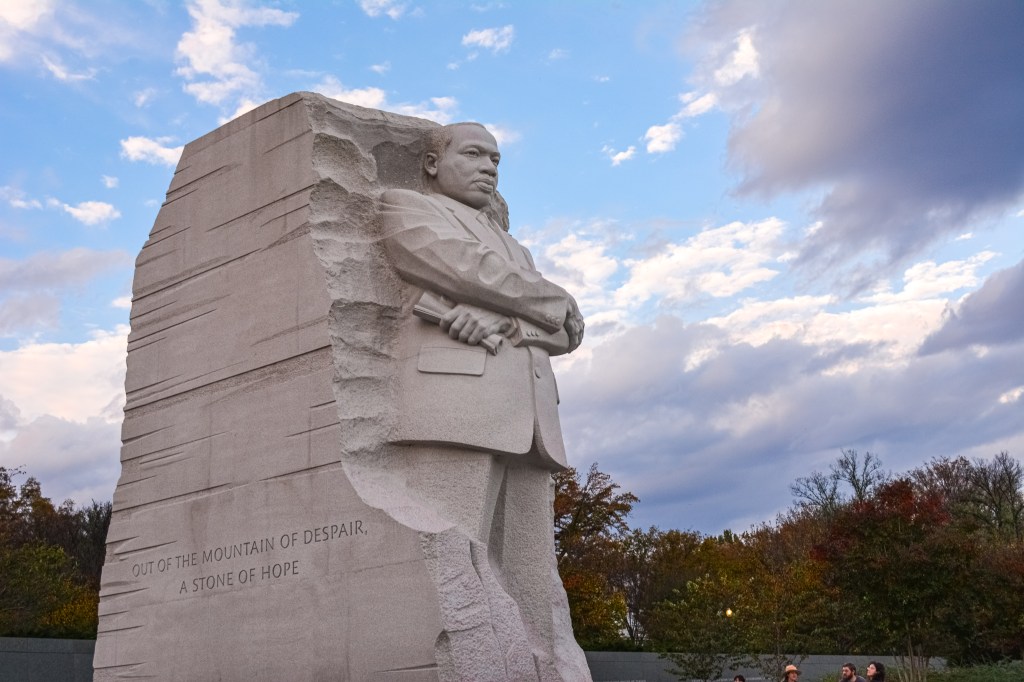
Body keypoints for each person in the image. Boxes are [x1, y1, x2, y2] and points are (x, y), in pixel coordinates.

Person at [378, 122, 588, 680]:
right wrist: (551, 300)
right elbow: (459, 267)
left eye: (496, 158)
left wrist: (505, 317)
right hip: (457, 403)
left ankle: (542, 666)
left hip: (531, 416)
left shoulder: (515, 245)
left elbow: (570, 331)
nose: (490, 167)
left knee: (533, 576)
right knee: (456, 557)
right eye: (473, 154)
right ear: (431, 162)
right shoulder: (406, 207)